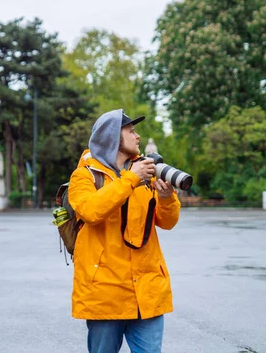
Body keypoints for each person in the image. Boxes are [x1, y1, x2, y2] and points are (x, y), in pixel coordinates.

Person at [68, 109, 181, 353]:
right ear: (112, 138)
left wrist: (166, 197)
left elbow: (168, 222)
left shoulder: (144, 173)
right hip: (105, 293)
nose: (137, 136)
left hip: (147, 291)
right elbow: (91, 211)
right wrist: (130, 180)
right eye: (131, 131)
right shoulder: (83, 177)